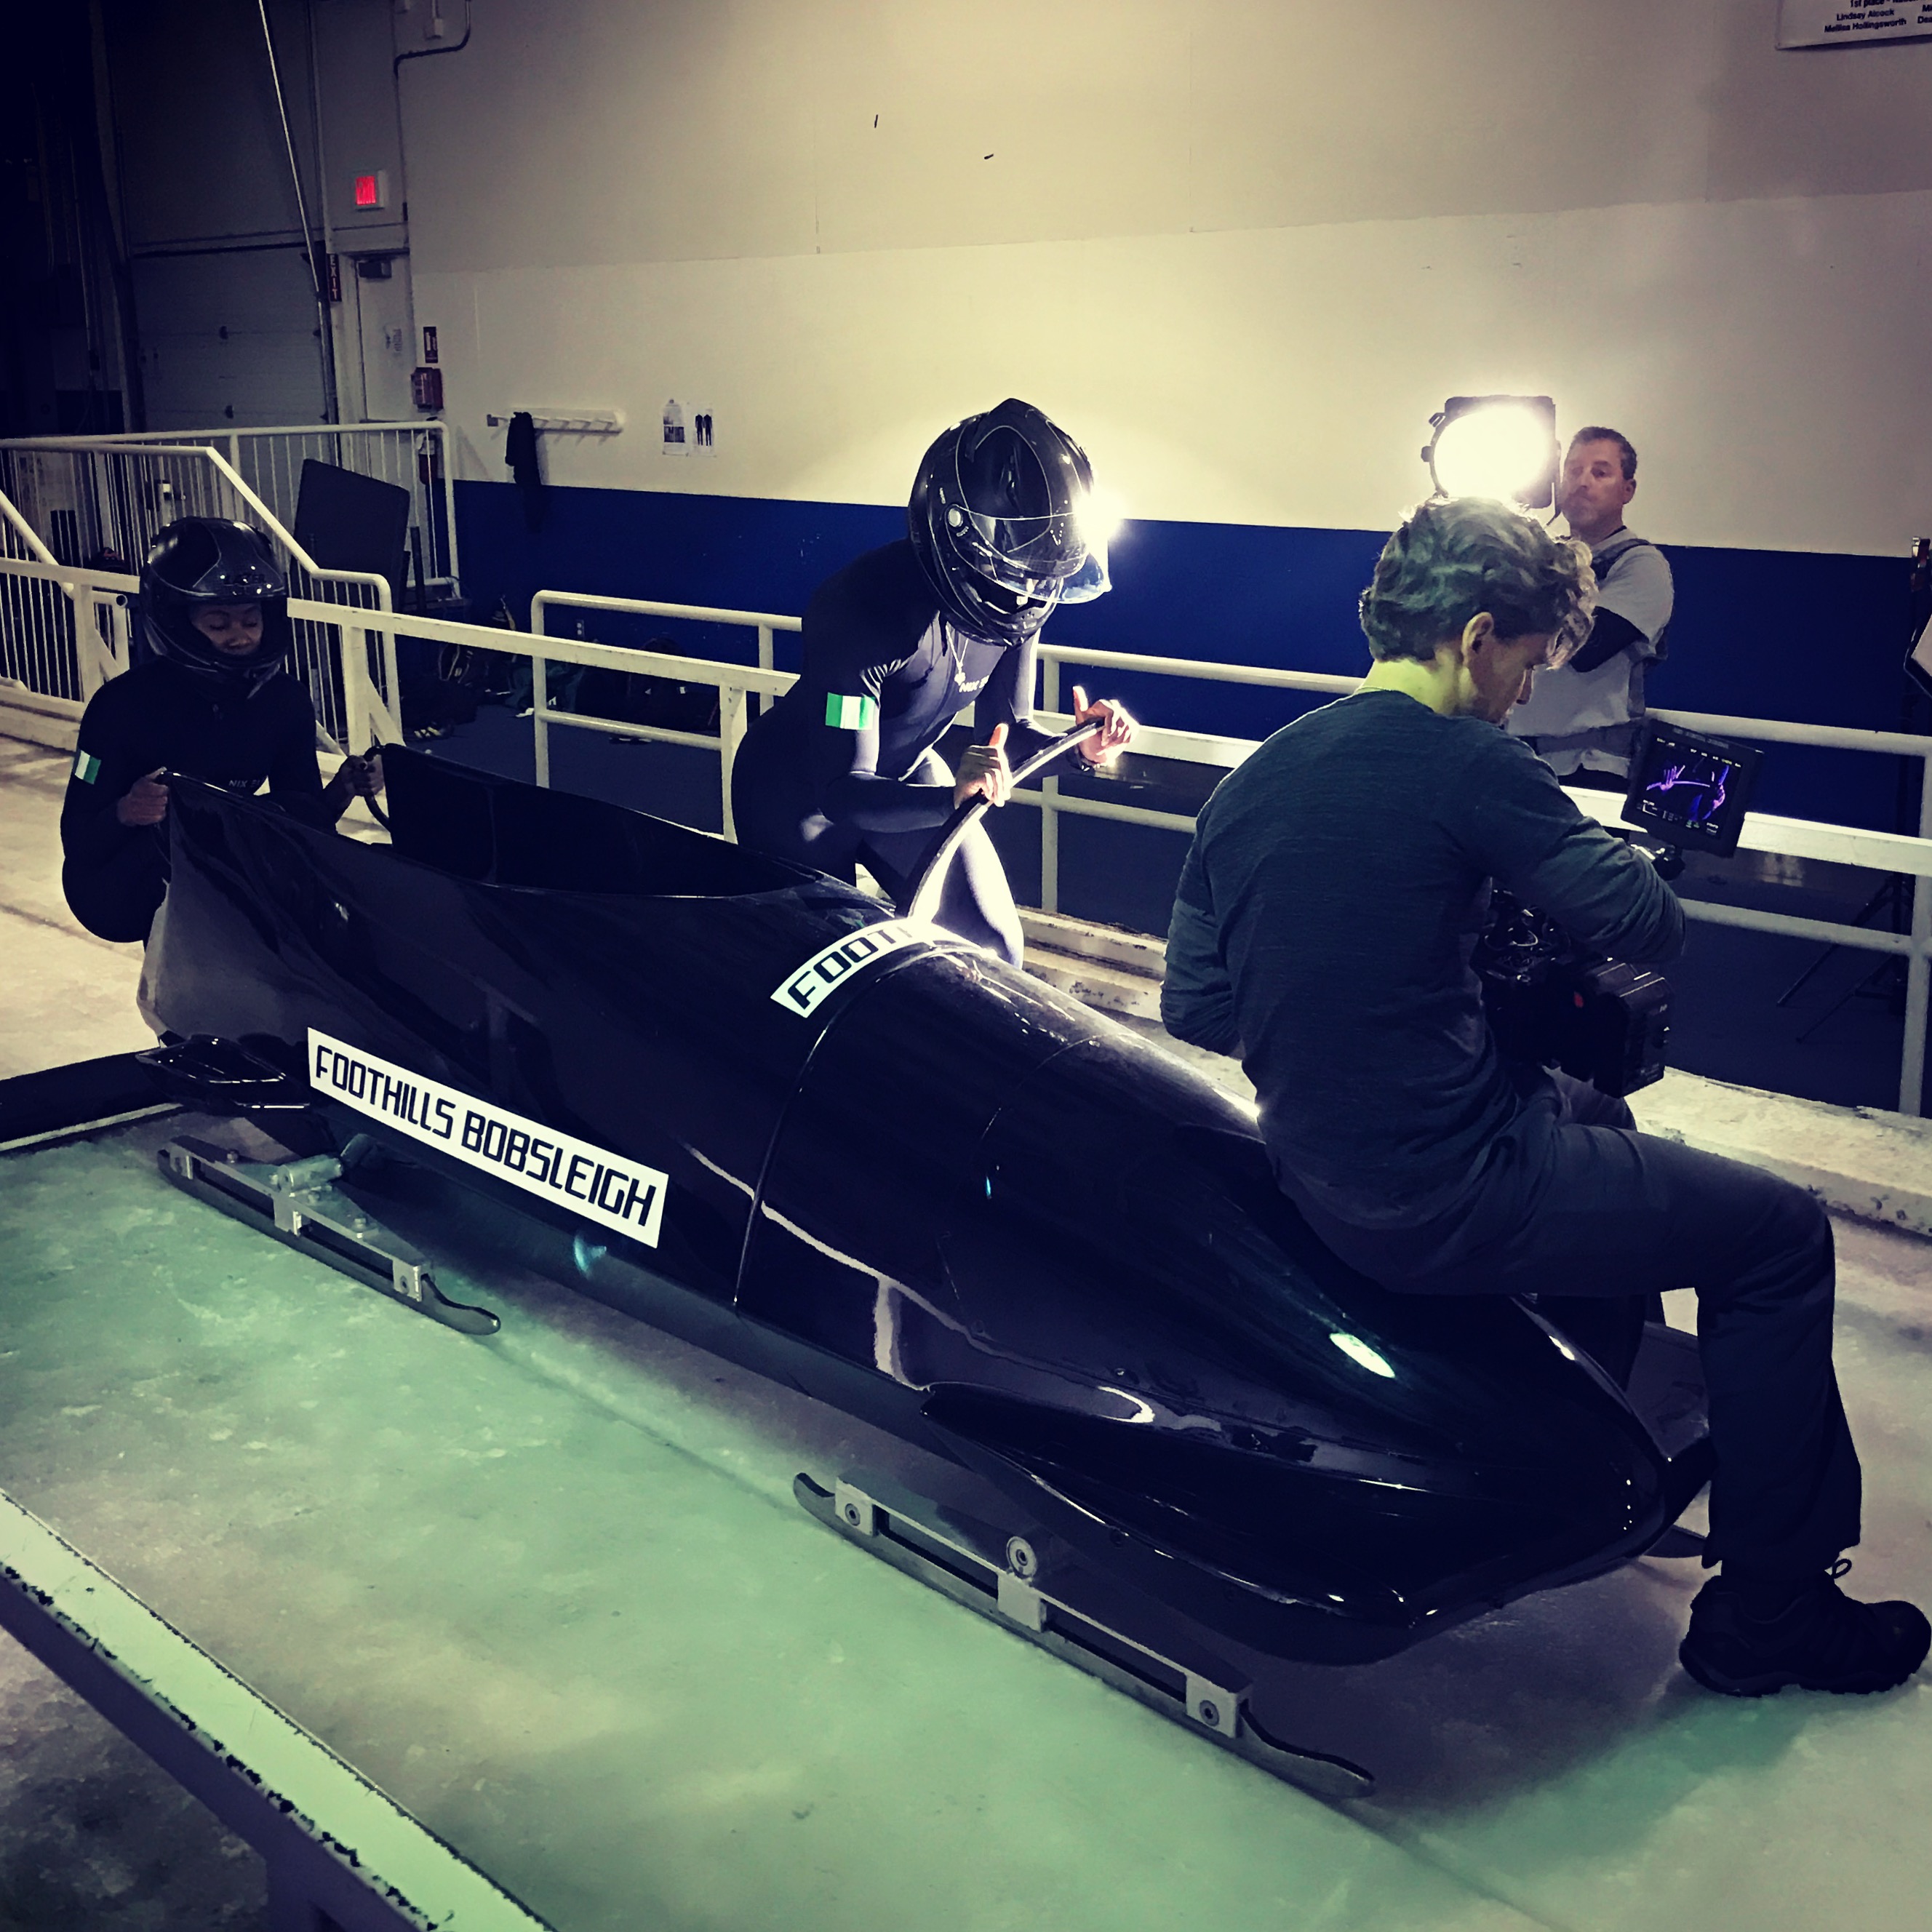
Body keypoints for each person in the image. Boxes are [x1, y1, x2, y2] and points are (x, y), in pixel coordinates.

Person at [1162, 495, 1928, 1699]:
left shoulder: (1261, 774)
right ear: (1476, 639)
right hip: (1452, 1193)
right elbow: (1646, 922)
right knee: (1780, 1238)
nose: (1525, 693)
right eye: (1525, 662)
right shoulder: (1471, 763)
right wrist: (1610, 853)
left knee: (1596, 1111)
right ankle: (1772, 1613)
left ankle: (1593, 1425)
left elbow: (1198, 1006)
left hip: (1319, 1173)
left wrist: (1409, 983)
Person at [730, 399, 1135, 963]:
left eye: (1040, 575)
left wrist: (1078, 751)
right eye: (1016, 572)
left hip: (908, 778)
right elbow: (842, 791)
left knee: (992, 948)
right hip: (798, 800)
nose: (1026, 595)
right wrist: (949, 798)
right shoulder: (860, 610)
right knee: (822, 967)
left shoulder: (1020, 599)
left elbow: (1005, 731)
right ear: (959, 535)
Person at [60, 516, 383, 946]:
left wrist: (343, 789)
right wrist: (127, 810)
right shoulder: (117, 708)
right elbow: (78, 836)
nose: (240, 637)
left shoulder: (284, 701)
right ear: (178, 621)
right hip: (135, 882)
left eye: (251, 621)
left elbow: (301, 820)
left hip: (228, 870)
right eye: (218, 624)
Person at [1507, 426, 1673, 788]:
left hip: (1589, 763)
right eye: (1573, 470)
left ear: (1627, 489)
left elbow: (1583, 649)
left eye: (1600, 473)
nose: (1582, 483)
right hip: (1518, 754)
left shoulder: (1640, 564)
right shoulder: (1541, 558)